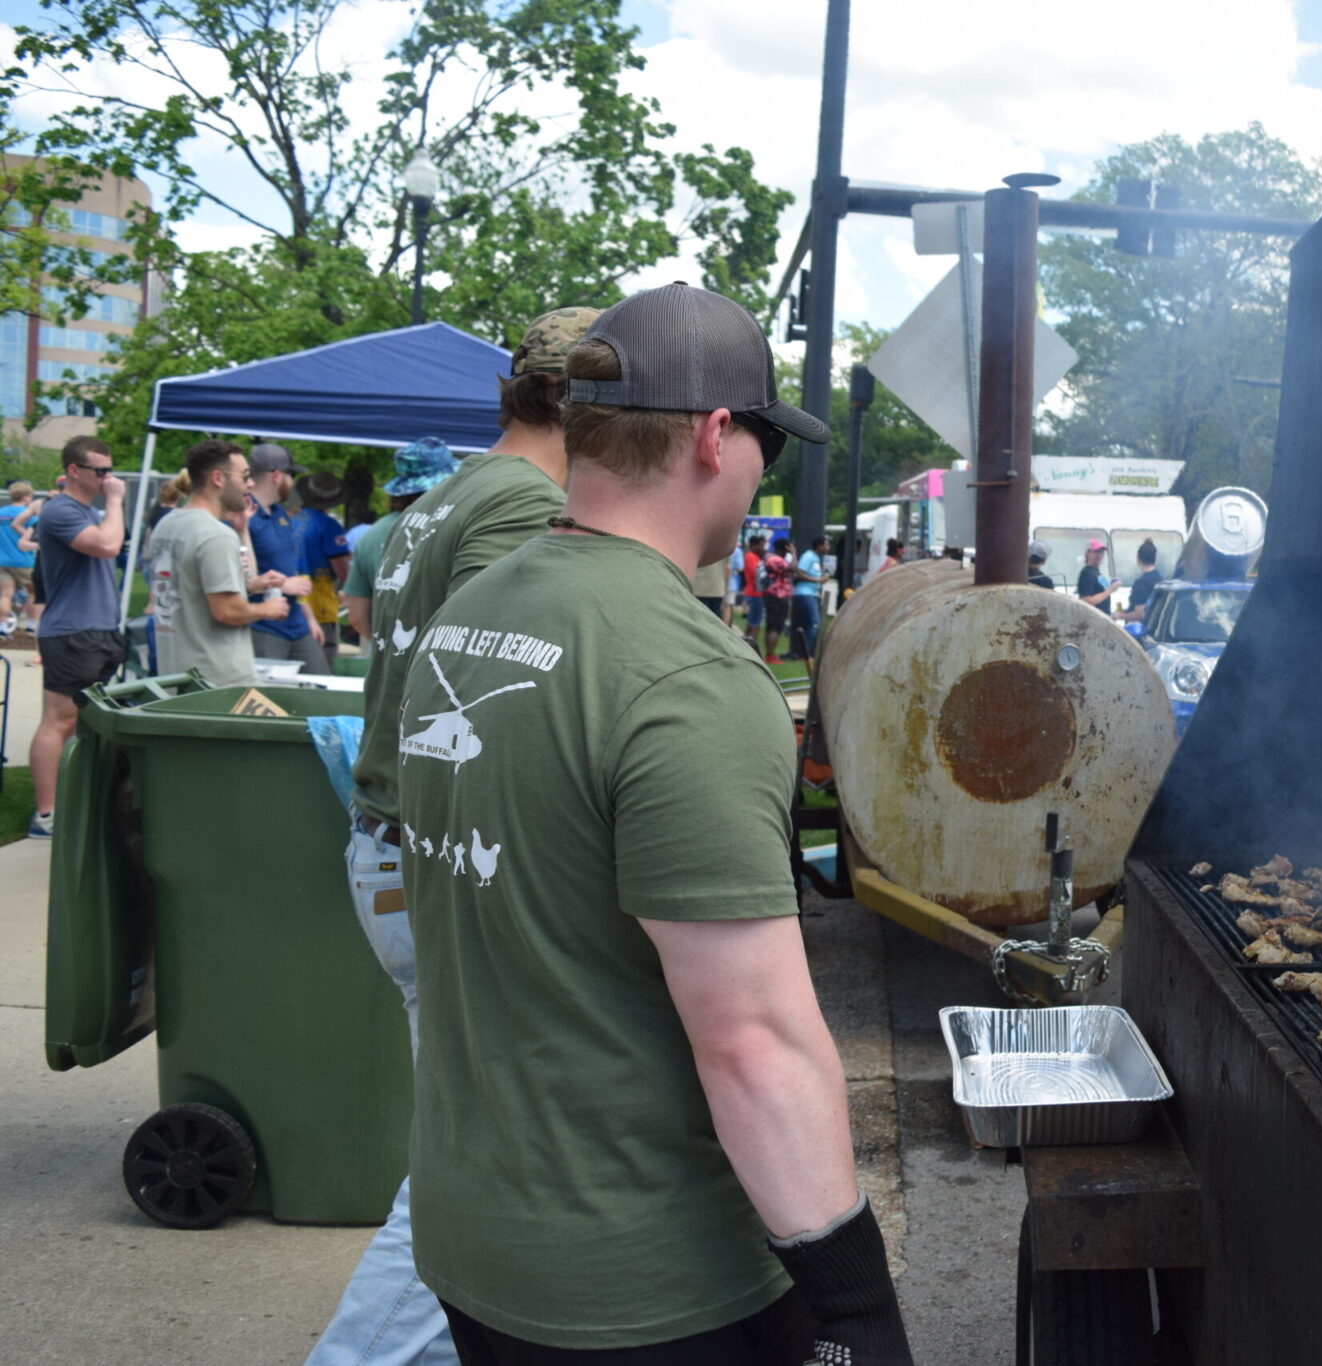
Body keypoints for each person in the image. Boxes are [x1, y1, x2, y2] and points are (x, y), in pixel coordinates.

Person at [402, 281, 911, 1364]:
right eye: (766, 440)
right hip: (648, 1285)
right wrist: (858, 1309)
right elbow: (752, 1039)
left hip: (470, 1241)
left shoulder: (465, 615)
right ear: (716, 436)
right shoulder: (683, 671)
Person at [310, 309, 597, 1366]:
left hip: (393, 847)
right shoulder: (523, 500)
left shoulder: (449, 495)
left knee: (475, 1150)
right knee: (472, 1164)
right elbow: (505, 687)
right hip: (434, 856)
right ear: (579, 403)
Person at [27, 436, 127, 839]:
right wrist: (117, 502)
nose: (108, 478)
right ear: (74, 471)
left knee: (87, 721)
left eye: (110, 470)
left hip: (99, 630)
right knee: (60, 720)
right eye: (100, 471)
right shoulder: (59, 510)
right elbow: (105, 546)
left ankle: (75, 802)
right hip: (71, 631)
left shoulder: (88, 511)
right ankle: (46, 815)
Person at [147, 441, 291, 687]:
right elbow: (227, 610)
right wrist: (269, 609)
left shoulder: (167, 524)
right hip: (217, 684)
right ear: (218, 478)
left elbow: (191, 590)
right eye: (244, 476)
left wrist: (252, 585)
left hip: (175, 678)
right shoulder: (216, 535)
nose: (251, 484)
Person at [339, 437, 458, 660]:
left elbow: (355, 616)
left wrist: (386, 647)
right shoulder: (456, 526)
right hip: (441, 660)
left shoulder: (371, 535)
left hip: (385, 660)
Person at [243, 443, 327, 674]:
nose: (292, 485)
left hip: (298, 625)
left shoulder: (280, 513)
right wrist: (283, 585)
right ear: (277, 476)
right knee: (271, 698)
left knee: (322, 686)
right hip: (265, 628)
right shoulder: (244, 515)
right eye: (291, 475)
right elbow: (238, 576)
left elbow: (292, 572)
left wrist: (309, 618)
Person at [295, 471, 354, 670]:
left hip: (293, 603)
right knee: (322, 665)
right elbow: (343, 570)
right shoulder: (329, 526)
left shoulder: (290, 520)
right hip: (319, 604)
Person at [0, 481, 38, 635]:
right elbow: (35, 536)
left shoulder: (1, 512)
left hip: (2, 561)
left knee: (5, 595)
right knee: (33, 592)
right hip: (24, 562)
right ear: (25, 497)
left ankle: (2, 627)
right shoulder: (29, 516)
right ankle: (31, 626)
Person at [790, 533, 829, 664]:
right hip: (805, 594)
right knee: (813, 622)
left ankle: (805, 653)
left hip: (811, 594)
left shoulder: (816, 558)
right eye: (826, 544)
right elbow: (799, 573)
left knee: (809, 624)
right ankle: (807, 654)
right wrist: (818, 579)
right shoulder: (808, 556)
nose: (828, 547)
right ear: (819, 546)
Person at [761, 536, 794, 664]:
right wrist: (794, 553)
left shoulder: (768, 557)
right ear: (785, 548)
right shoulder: (776, 559)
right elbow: (792, 569)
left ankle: (769, 654)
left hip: (771, 595)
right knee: (776, 627)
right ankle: (770, 656)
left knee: (770, 626)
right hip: (778, 596)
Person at [1118, 538, 1163, 625]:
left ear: (1138, 558)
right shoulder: (1160, 579)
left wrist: (1119, 616)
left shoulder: (1141, 583)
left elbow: (1139, 614)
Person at [739, 533, 767, 654]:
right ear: (754, 545)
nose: (762, 548)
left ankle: (745, 646)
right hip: (754, 593)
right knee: (755, 623)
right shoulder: (751, 557)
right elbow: (756, 574)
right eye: (760, 545)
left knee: (753, 622)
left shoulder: (755, 556)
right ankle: (752, 649)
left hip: (756, 593)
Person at [1076, 538, 1117, 613]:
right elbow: (1087, 601)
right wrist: (1110, 590)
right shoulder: (1087, 573)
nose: (1099, 555)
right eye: (1096, 552)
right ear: (1088, 553)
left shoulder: (1097, 573)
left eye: (1101, 552)